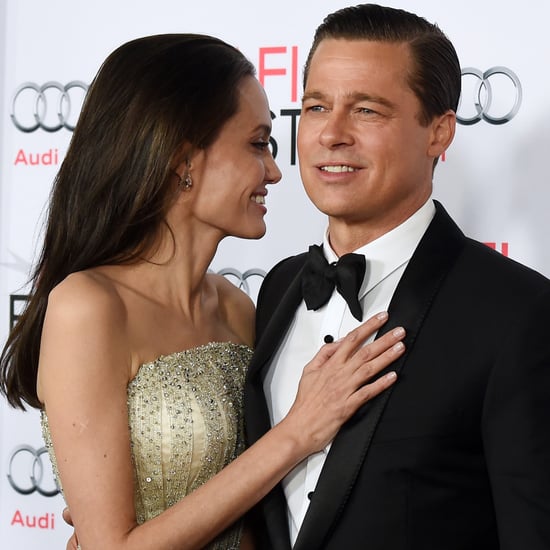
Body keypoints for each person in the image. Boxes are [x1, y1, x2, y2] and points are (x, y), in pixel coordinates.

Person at [0, 34, 407, 550]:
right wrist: (296, 432)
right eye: (257, 144)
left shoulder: (239, 309)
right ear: (182, 159)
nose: (275, 172)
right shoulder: (89, 307)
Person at [244, 4, 550, 550]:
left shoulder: (518, 311)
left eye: (366, 110)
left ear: (439, 132)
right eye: (316, 106)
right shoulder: (277, 288)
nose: (331, 134)